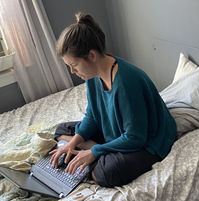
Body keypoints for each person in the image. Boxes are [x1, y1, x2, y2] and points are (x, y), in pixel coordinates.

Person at [50, 12, 177, 188]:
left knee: (106, 174)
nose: (73, 72)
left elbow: (135, 138)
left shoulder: (126, 82)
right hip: (118, 131)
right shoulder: (93, 75)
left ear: (92, 56)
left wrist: (94, 151)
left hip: (147, 142)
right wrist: (72, 143)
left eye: (74, 65)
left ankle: (97, 152)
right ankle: (96, 150)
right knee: (61, 130)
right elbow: (93, 115)